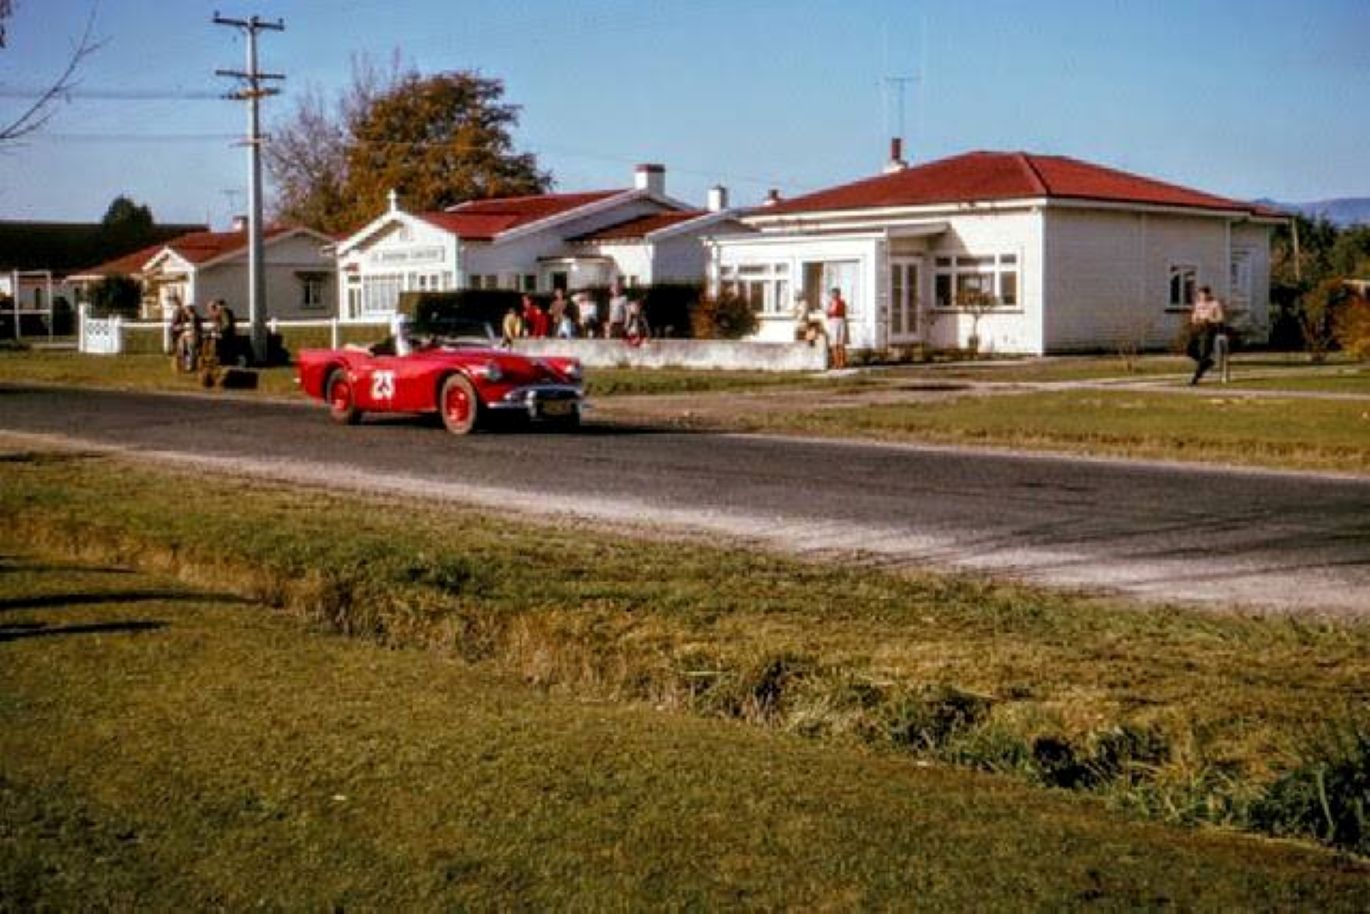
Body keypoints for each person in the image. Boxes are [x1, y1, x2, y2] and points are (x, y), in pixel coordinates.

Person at [1188, 285, 1226, 385]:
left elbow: (1220, 318)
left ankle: (1195, 378)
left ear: (1208, 294)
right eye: (1200, 294)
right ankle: (1208, 362)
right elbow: (1194, 316)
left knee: (1203, 353)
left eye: (1204, 294)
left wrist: (1210, 319)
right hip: (1199, 328)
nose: (1202, 297)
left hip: (1210, 329)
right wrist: (1195, 319)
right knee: (1190, 350)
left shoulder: (1214, 304)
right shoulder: (1198, 304)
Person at [825, 286, 848, 370]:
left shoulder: (841, 302)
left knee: (840, 343)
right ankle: (836, 362)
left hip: (839, 321)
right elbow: (828, 313)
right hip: (833, 322)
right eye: (832, 293)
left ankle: (842, 362)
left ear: (838, 294)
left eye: (835, 293)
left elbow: (839, 312)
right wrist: (828, 312)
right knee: (834, 344)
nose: (833, 295)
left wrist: (830, 312)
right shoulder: (830, 303)